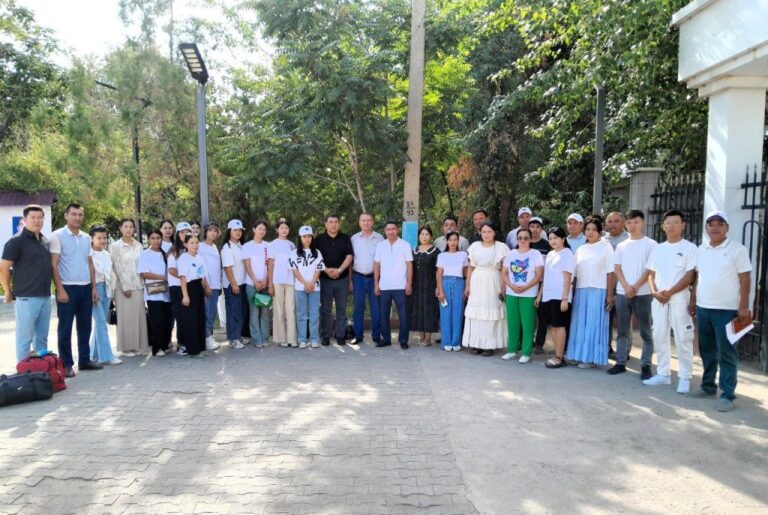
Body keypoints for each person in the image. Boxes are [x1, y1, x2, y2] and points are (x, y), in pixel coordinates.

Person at [688, 211, 752, 412]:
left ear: (727, 228)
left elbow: (745, 279)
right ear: (706, 227)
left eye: (719, 224)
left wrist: (743, 306)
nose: (714, 228)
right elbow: (697, 277)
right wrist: (693, 299)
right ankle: (708, 387)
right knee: (706, 350)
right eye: (711, 224)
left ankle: (727, 394)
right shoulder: (701, 249)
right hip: (703, 308)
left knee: (726, 352)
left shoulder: (737, 250)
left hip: (727, 310)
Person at [643, 210, 697, 393]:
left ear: (683, 226)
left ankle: (685, 377)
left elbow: (690, 275)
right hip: (658, 300)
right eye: (668, 222)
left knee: (683, 338)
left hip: (679, 300)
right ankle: (663, 373)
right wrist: (654, 292)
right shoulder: (658, 248)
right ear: (663, 226)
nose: (671, 226)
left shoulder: (690, 248)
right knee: (659, 336)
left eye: (675, 222)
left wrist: (670, 292)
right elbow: (651, 274)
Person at [50, 203, 102, 377]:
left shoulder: (86, 237)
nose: (77, 217)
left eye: (80, 214)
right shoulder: (57, 236)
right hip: (67, 288)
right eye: (74, 214)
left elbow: (90, 263)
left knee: (85, 326)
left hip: (85, 288)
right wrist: (60, 289)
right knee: (65, 328)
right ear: (66, 215)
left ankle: (85, 360)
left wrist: (93, 288)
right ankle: (66, 364)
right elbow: (53, 265)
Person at [0, 205, 53, 364]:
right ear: (24, 220)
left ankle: (40, 370)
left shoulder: (44, 240)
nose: (37, 221)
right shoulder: (16, 242)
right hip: (26, 298)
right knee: (25, 339)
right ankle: (24, 372)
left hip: (45, 297)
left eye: (40, 217)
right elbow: (3, 268)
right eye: (33, 218)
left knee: (41, 338)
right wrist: (8, 291)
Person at [607, 210, 656, 378]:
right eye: (629, 222)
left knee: (645, 331)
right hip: (622, 293)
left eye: (636, 222)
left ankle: (646, 365)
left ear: (643, 223)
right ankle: (620, 362)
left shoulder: (651, 244)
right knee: (622, 330)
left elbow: (650, 269)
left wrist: (635, 287)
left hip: (643, 293)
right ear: (626, 224)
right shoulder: (622, 245)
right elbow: (617, 268)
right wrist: (626, 287)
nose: (633, 225)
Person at [565, 216, 614, 368]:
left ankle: (590, 359)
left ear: (600, 232)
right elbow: (574, 274)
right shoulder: (581, 249)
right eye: (588, 229)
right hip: (581, 290)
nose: (590, 232)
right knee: (579, 324)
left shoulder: (606, 247)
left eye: (594, 229)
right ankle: (577, 355)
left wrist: (610, 295)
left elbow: (610, 272)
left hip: (598, 290)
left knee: (593, 324)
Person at [462, 222, 509, 356]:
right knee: (476, 313)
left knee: (491, 311)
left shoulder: (501, 247)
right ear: (480, 233)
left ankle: (489, 345)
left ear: (494, 233)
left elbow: (506, 269)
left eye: (489, 232)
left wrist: (504, 286)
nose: (486, 234)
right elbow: (470, 268)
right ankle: (477, 344)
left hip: (494, 279)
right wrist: (467, 285)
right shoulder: (475, 246)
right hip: (477, 280)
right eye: (484, 232)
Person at [501, 227, 544, 363]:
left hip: (529, 294)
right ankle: (512, 350)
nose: (523, 240)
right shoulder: (511, 254)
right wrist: (510, 285)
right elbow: (504, 272)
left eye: (526, 238)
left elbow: (539, 275)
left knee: (528, 324)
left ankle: (526, 353)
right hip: (511, 293)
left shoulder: (536, 254)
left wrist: (526, 287)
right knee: (513, 323)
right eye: (520, 238)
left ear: (530, 239)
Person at [536, 227, 575, 369]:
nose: (553, 241)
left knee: (559, 326)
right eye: (550, 238)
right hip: (548, 295)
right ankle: (556, 355)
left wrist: (565, 298)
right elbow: (546, 277)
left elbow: (567, 278)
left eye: (556, 238)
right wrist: (540, 295)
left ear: (563, 239)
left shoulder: (567, 254)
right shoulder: (551, 254)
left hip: (560, 296)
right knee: (552, 326)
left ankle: (560, 357)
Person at [110, 218, 149, 357]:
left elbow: (142, 266)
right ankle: (126, 348)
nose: (128, 229)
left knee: (138, 317)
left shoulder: (139, 245)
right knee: (125, 318)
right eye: (125, 226)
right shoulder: (115, 246)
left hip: (138, 285)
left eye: (131, 227)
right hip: (123, 287)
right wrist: (125, 286)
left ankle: (139, 346)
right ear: (120, 228)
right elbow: (116, 267)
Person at [314, 214, 354, 346]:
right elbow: (315, 257)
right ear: (325, 224)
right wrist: (326, 270)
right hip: (325, 279)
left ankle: (340, 334)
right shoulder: (319, 239)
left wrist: (339, 270)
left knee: (341, 309)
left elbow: (349, 257)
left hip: (342, 279)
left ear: (339, 224)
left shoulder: (345, 238)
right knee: (326, 309)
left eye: (336, 222)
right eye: (330, 222)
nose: (333, 224)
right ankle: (326, 335)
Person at [373, 221, 413, 349]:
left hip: (401, 286)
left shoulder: (405, 245)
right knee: (383, 315)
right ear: (385, 231)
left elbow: (409, 265)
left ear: (398, 230)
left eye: (393, 229)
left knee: (403, 315)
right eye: (388, 229)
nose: (391, 231)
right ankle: (386, 339)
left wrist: (409, 284)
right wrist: (376, 284)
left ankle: (403, 340)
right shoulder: (380, 245)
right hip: (384, 286)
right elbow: (377, 266)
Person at [88, 225, 121, 365]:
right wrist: (93, 289)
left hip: (107, 289)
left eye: (104, 238)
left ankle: (93, 355)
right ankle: (107, 357)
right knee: (101, 323)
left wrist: (111, 292)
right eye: (99, 238)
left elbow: (110, 274)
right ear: (92, 238)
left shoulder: (106, 254)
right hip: (95, 289)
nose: (102, 240)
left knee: (100, 323)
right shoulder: (88, 254)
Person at [137, 229, 172, 357]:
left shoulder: (164, 254)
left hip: (166, 292)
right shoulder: (145, 254)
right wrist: (162, 277)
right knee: (158, 321)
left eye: (158, 238)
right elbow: (144, 273)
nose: (156, 240)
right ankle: (156, 349)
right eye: (153, 238)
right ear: (148, 239)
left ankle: (164, 345)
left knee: (167, 321)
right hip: (153, 292)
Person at [350, 213, 384, 344]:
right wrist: (350, 280)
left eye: (369, 220)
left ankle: (376, 336)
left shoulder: (380, 238)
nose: (366, 223)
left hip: (374, 278)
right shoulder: (354, 239)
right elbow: (350, 260)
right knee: (358, 308)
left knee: (376, 308)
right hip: (358, 277)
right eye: (363, 220)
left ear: (373, 222)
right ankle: (358, 335)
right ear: (359, 222)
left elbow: (383, 260)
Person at [290, 226, 325, 349]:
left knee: (314, 313)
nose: (307, 239)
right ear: (300, 238)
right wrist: (305, 283)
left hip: (315, 288)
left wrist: (312, 283)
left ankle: (314, 339)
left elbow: (319, 269)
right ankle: (302, 339)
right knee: (301, 314)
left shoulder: (317, 252)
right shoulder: (294, 253)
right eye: (304, 236)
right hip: (300, 288)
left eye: (309, 236)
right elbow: (294, 270)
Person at [177, 233, 211, 358]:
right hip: (189, 288)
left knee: (200, 317)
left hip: (199, 287)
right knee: (191, 320)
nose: (195, 245)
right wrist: (185, 296)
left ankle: (200, 347)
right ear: (186, 244)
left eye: (196, 243)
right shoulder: (183, 258)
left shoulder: (200, 258)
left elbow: (202, 275)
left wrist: (206, 287)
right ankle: (192, 350)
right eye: (191, 243)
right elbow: (183, 278)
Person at [602, 211, 629, 358]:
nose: (612, 224)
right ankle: (606, 348)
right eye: (610, 221)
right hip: (605, 286)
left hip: (623, 287)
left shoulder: (629, 239)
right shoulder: (602, 240)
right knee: (606, 320)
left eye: (616, 221)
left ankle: (624, 352)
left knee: (623, 322)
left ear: (623, 222)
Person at [408, 227, 440, 345]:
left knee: (428, 310)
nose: (424, 237)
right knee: (418, 309)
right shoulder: (414, 250)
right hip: (416, 285)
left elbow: (438, 270)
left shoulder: (435, 251)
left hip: (430, 285)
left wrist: (438, 287)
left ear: (431, 236)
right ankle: (421, 337)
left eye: (427, 234)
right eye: (422, 234)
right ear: (419, 236)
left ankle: (428, 339)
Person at [436, 232, 468, 351]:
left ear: (458, 241)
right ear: (447, 241)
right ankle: (446, 342)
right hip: (445, 282)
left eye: (455, 240)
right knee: (445, 313)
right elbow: (439, 274)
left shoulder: (463, 255)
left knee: (458, 312)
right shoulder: (442, 255)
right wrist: (440, 290)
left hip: (459, 283)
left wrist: (466, 287)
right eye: (450, 240)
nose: (453, 242)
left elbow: (466, 273)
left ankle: (456, 342)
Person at [268, 219, 297, 347]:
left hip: (290, 280)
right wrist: (270, 284)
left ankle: (292, 338)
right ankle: (281, 339)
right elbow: (270, 265)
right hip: (277, 280)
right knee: (279, 309)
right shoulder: (273, 244)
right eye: (281, 228)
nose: (284, 230)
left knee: (290, 309)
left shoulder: (292, 245)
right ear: (277, 230)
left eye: (286, 228)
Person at [243, 220, 271, 348]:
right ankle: (257, 339)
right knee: (254, 312)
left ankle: (265, 337)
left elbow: (269, 265)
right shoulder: (247, 246)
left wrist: (265, 280)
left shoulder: (268, 246)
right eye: (260, 229)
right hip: (251, 284)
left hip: (264, 284)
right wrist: (255, 281)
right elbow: (247, 265)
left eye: (264, 229)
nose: (262, 231)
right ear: (254, 229)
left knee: (265, 311)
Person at [221, 219, 248, 350]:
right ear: (229, 231)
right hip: (233, 285)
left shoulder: (241, 245)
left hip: (242, 283)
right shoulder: (227, 247)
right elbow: (227, 267)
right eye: (235, 230)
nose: (238, 232)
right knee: (234, 312)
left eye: (240, 230)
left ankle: (237, 335)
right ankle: (233, 339)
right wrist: (234, 284)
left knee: (241, 311)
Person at [167, 222, 192, 354]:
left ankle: (190, 342)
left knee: (189, 316)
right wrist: (184, 278)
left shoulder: (192, 249)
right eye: (182, 232)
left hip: (190, 287)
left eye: (187, 232)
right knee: (180, 317)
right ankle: (181, 344)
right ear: (177, 234)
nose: (184, 234)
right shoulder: (174, 251)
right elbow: (171, 270)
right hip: (177, 287)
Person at [529, 216, 552, 354]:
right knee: (527, 315)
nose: (535, 229)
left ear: (541, 229)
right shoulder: (524, 243)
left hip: (542, 284)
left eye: (538, 227)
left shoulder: (547, 245)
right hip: (526, 285)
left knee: (542, 316)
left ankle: (539, 343)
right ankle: (526, 340)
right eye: (532, 226)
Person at [199, 223, 222, 351]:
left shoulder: (214, 247)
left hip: (215, 285)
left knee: (212, 312)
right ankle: (206, 338)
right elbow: (200, 268)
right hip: (207, 286)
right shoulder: (200, 246)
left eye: (215, 231)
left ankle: (207, 336)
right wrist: (206, 285)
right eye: (210, 230)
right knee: (208, 313)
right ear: (205, 232)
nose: (213, 233)